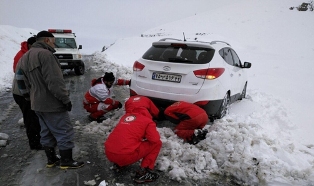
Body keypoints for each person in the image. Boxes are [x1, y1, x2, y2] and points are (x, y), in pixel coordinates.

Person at [15, 30, 84, 169]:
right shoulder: (46, 55)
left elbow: (19, 79)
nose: (55, 44)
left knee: (46, 131)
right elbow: (55, 82)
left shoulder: (25, 56)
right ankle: (66, 160)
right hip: (52, 103)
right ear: (47, 40)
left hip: (37, 103)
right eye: (53, 41)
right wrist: (65, 99)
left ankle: (51, 159)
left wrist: (29, 97)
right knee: (63, 130)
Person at [104, 95, 162, 183]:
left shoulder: (125, 117)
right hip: (124, 156)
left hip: (109, 153)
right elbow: (155, 139)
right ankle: (144, 172)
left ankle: (118, 164)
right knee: (157, 144)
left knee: (124, 140)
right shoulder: (148, 121)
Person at [12, 36, 43, 150]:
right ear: (31, 45)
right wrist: (27, 95)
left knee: (33, 116)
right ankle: (35, 143)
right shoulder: (23, 56)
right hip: (22, 92)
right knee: (31, 117)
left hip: (25, 90)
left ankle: (37, 138)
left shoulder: (28, 53)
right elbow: (19, 75)